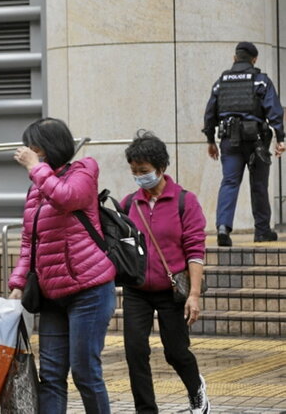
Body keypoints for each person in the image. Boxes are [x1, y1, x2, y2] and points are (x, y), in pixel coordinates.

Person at [7, 118, 116, 414]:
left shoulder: (84, 171)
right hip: (52, 294)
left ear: (48, 148)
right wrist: (17, 284)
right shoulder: (36, 190)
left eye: (34, 147)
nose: (29, 152)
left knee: (85, 372)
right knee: (52, 377)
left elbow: (67, 198)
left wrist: (35, 167)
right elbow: (30, 242)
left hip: (89, 290)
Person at [121, 130, 210, 414]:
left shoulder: (185, 201)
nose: (139, 176)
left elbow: (196, 250)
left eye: (144, 171)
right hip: (137, 291)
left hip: (173, 291)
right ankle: (145, 410)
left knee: (176, 352)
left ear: (161, 168)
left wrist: (193, 295)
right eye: (134, 171)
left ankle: (197, 390)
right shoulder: (128, 204)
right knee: (135, 351)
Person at [203, 41, 285, 246]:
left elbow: (209, 114)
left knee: (229, 182)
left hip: (229, 141)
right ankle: (262, 231)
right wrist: (281, 138)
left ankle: (223, 228)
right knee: (258, 185)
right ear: (254, 59)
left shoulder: (220, 82)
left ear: (234, 58)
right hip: (256, 140)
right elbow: (274, 111)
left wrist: (211, 141)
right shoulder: (261, 81)